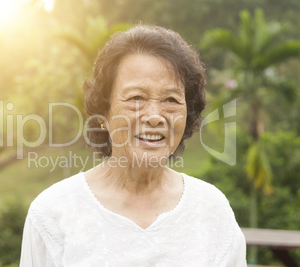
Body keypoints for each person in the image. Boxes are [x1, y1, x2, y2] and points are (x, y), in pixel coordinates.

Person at [20, 24, 247, 266]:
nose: (154, 116)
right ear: (103, 112)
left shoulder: (212, 210)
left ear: (187, 114)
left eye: (171, 100)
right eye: (136, 98)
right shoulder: (52, 214)